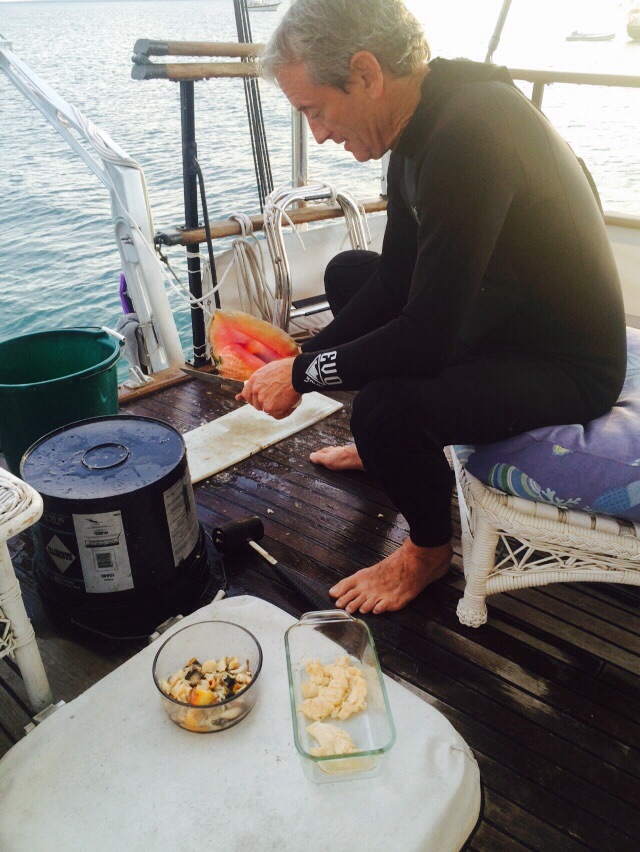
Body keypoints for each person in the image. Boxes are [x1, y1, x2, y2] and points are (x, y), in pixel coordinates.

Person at [236, 0, 627, 615]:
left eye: (314, 110)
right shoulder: (422, 128)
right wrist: (300, 357)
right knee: (349, 274)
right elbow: (395, 279)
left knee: (384, 412)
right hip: (507, 319)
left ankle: (427, 550)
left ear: (365, 74)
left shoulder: (473, 132)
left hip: (568, 364)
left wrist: (304, 376)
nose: (318, 134)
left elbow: (424, 340)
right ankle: (389, 454)